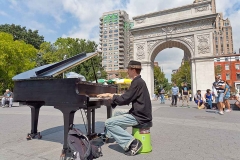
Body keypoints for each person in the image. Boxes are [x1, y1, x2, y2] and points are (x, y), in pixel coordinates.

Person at [97, 60, 152, 156]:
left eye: (128, 69)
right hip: (141, 112)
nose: (127, 71)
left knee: (109, 123)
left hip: (140, 116)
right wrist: (111, 95)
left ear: (133, 70)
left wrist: (111, 96)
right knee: (117, 112)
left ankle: (132, 142)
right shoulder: (138, 81)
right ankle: (107, 135)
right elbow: (127, 95)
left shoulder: (137, 82)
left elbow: (125, 99)